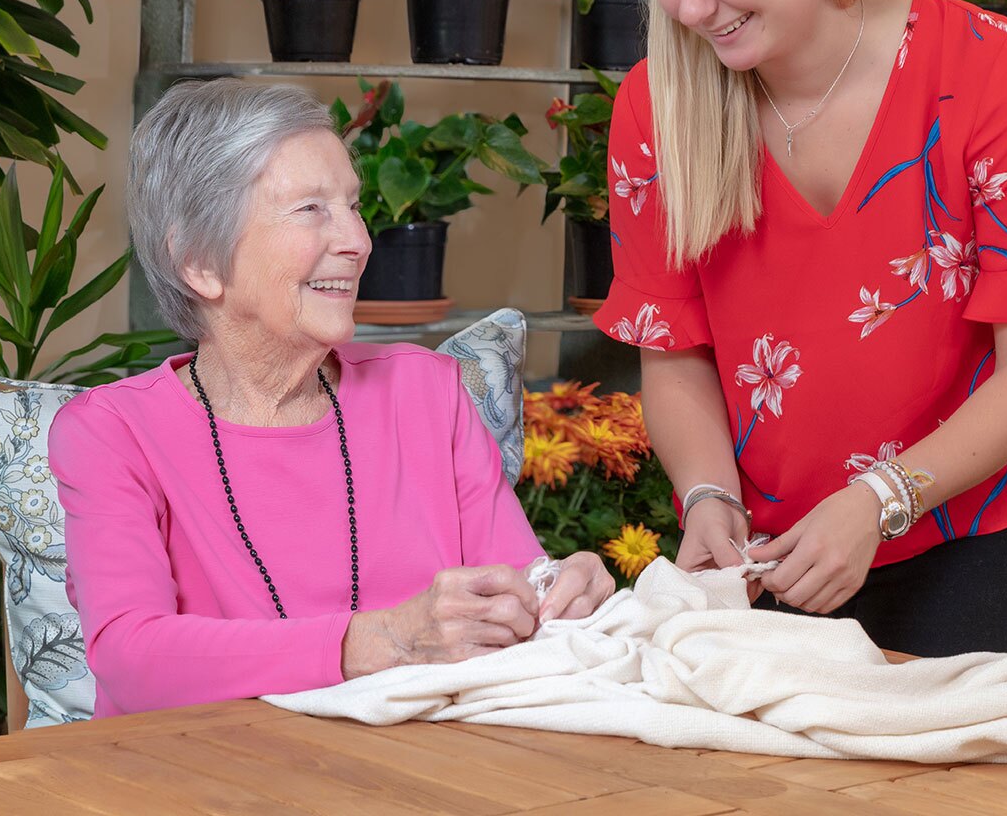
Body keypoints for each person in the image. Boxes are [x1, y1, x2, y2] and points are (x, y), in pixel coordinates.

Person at [593, 0, 1007, 657]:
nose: (691, 6)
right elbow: (673, 349)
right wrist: (705, 498)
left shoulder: (988, 70)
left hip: (969, 542)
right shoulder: (655, 109)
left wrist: (878, 499)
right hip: (769, 558)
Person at [50, 79, 614, 717]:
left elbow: (511, 587)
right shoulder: (113, 432)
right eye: (311, 209)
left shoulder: (426, 392)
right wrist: (381, 640)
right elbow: (134, 662)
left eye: (352, 204)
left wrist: (557, 590)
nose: (358, 239)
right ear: (200, 261)